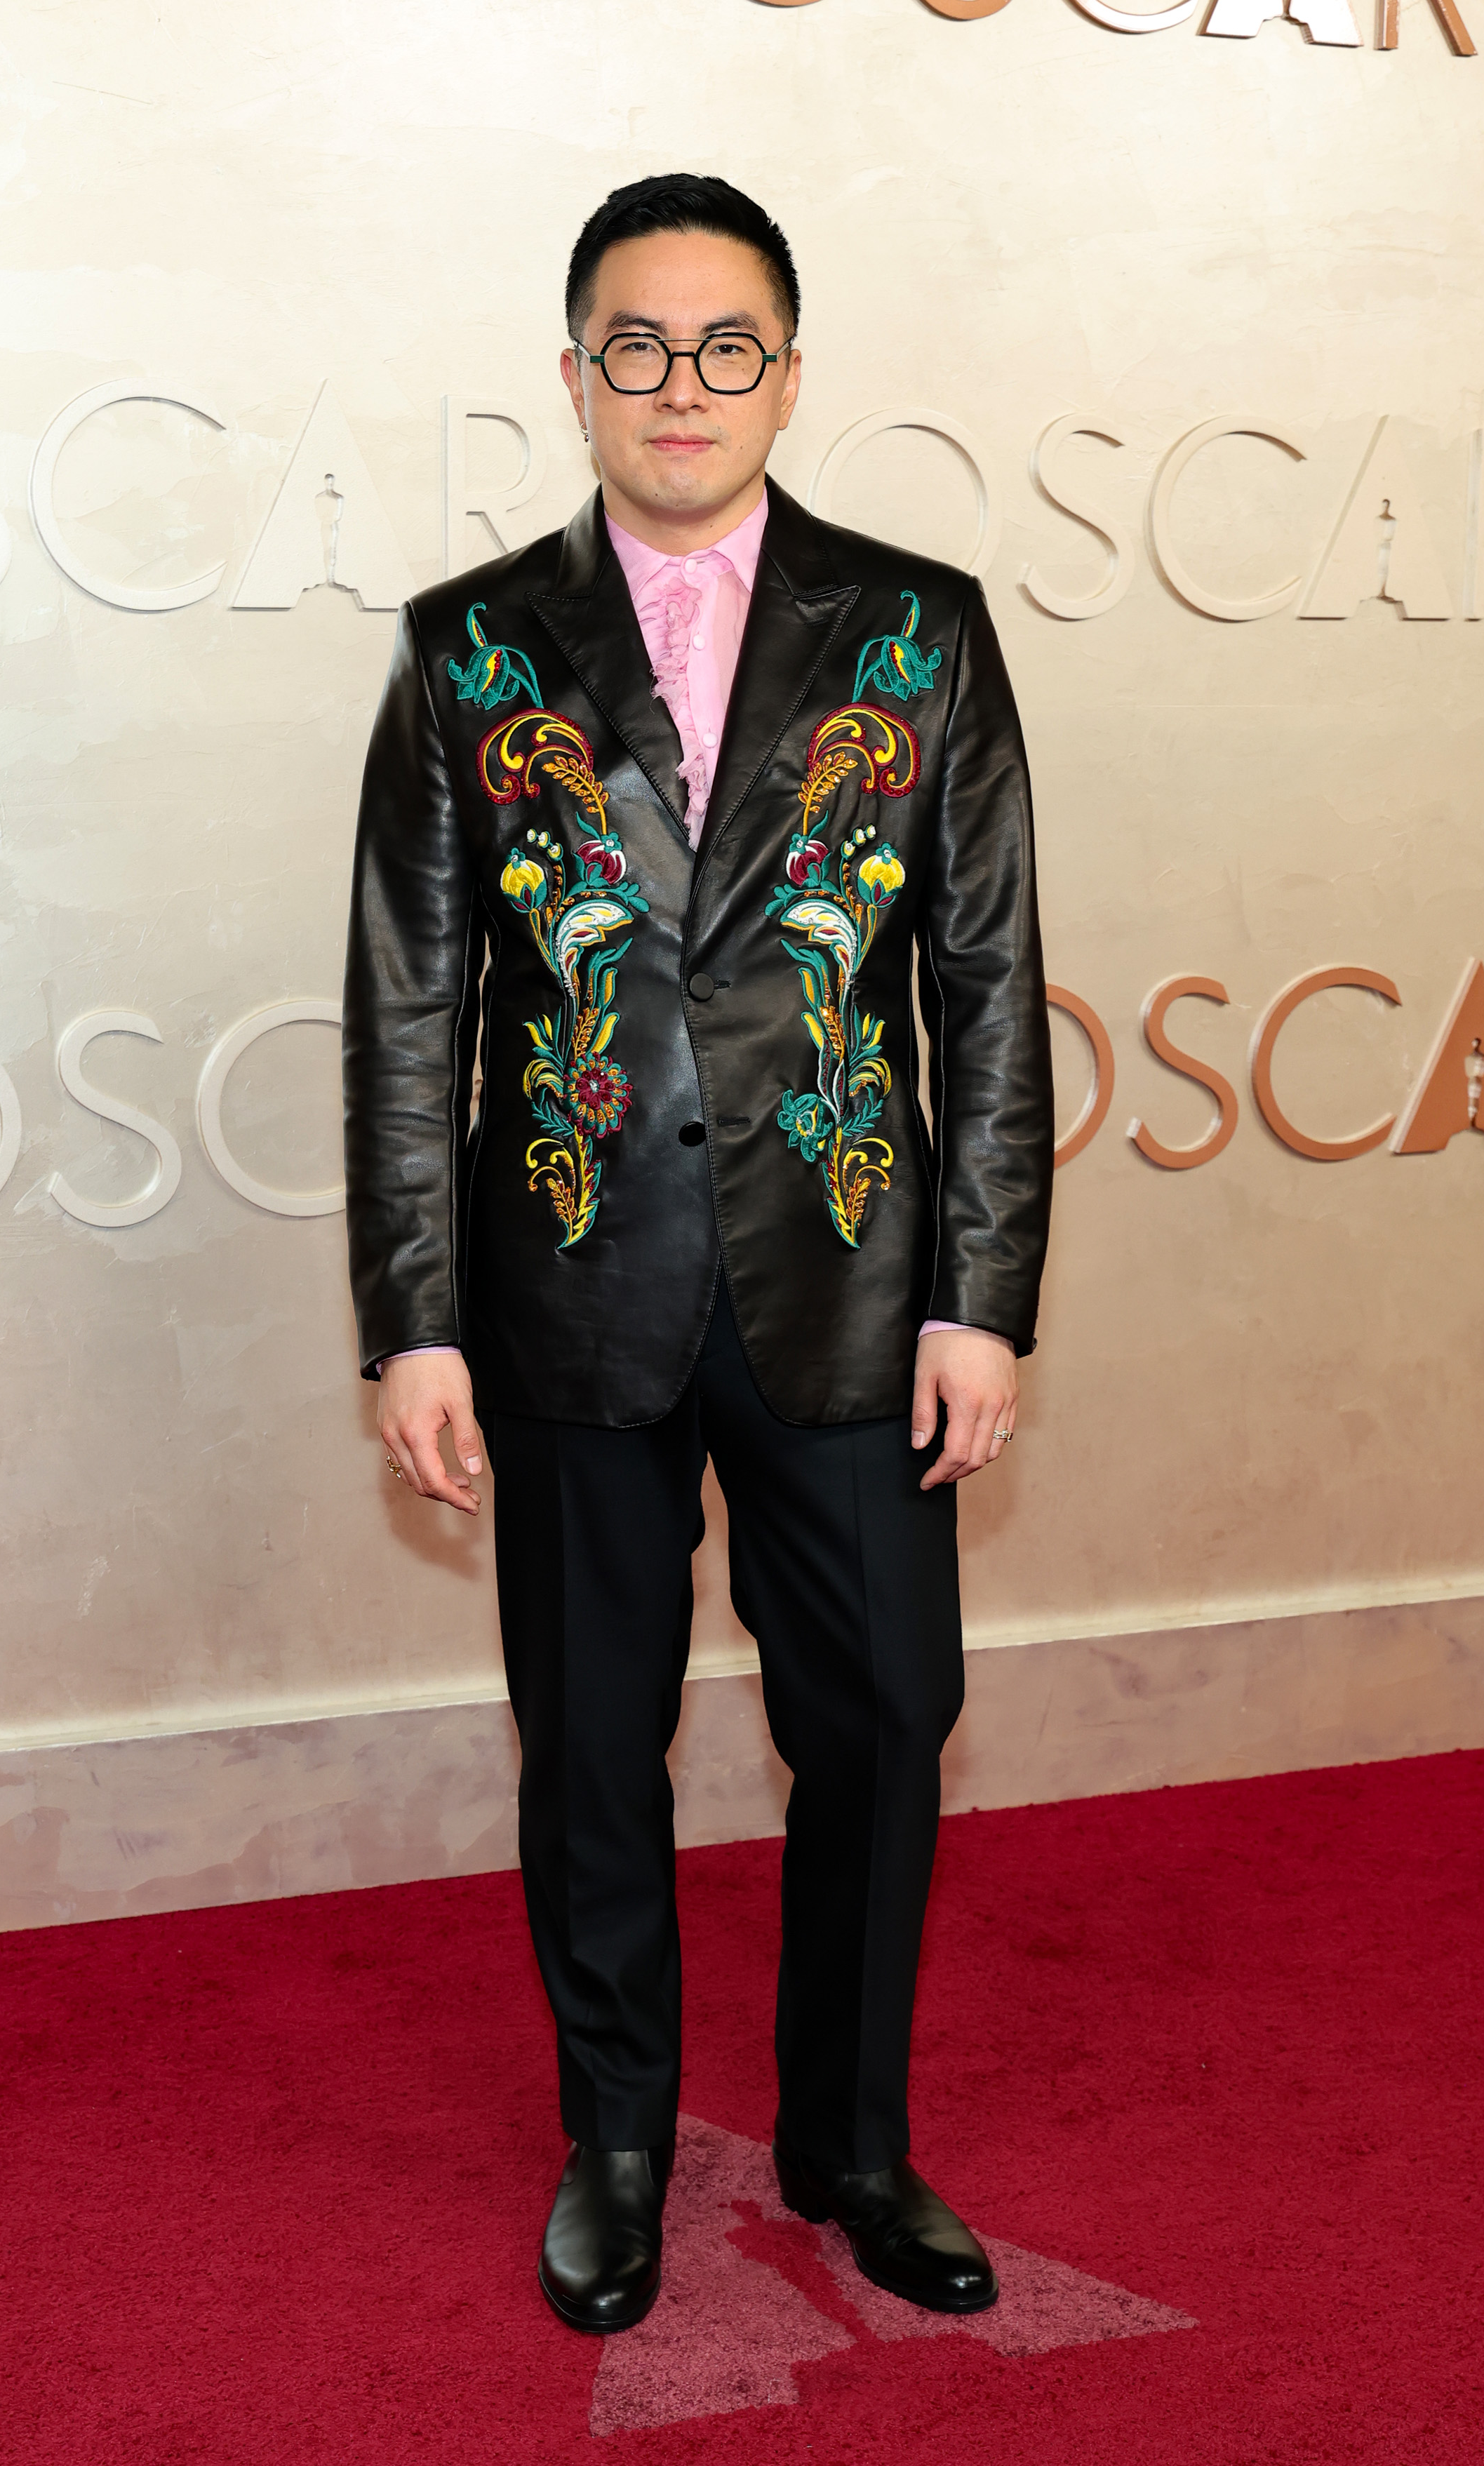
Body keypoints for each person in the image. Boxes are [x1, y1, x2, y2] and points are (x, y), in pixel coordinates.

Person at [342, 173, 1054, 2336]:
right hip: (567, 1283)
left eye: (724, 343)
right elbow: (408, 1005)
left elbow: (998, 983)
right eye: (634, 346)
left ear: (788, 373)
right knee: (590, 1738)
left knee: (888, 1716)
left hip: (851, 1278)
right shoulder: (467, 642)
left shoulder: (922, 627)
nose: (681, 384)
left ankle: (850, 2141)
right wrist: (411, 1320)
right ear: (574, 377)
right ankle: (623, 2141)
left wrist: (983, 1289)